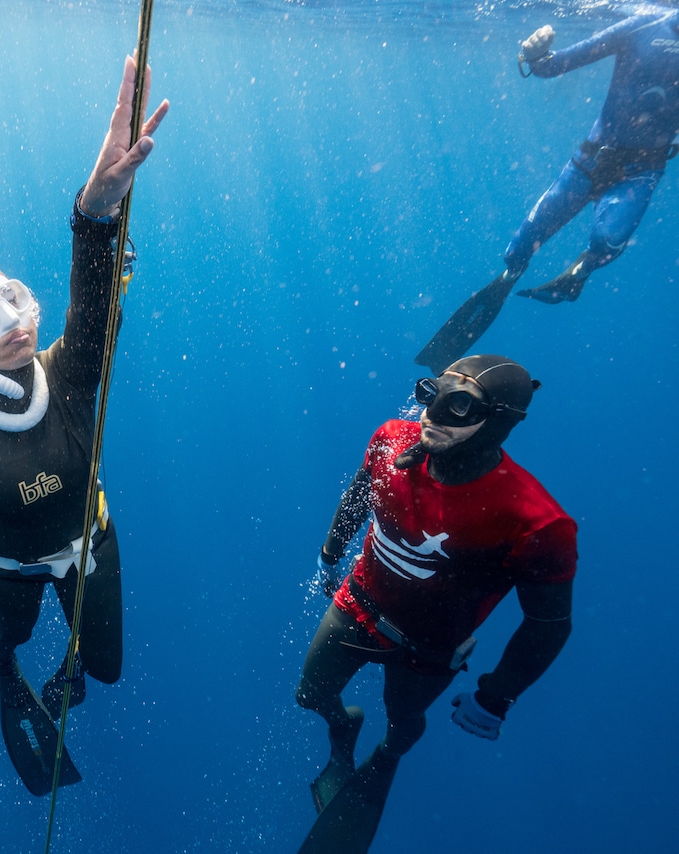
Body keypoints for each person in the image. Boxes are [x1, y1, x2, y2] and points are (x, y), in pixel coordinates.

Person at [0, 57, 167, 792]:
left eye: (15, 300)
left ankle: (70, 679)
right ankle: (7, 669)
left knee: (107, 672)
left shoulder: (72, 371)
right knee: (13, 632)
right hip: (7, 563)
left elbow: (94, 296)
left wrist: (96, 213)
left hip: (90, 541)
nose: (13, 322)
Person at [296, 355, 577, 853]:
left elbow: (548, 623)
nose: (433, 415)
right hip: (357, 604)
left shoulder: (536, 521)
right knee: (310, 694)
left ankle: (385, 757)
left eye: (461, 405)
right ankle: (344, 727)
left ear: (501, 421)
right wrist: (329, 553)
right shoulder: (391, 439)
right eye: (435, 394)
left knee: (402, 728)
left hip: (427, 652)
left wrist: (496, 698)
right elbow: (360, 493)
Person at [415, 10, 679, 372]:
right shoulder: (644, 24)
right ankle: (508, 280)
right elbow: (555, 66)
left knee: (608, 241)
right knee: (521, 246)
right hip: (590, 162)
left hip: (642, 170)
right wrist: (533, 55)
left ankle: (579, 274)